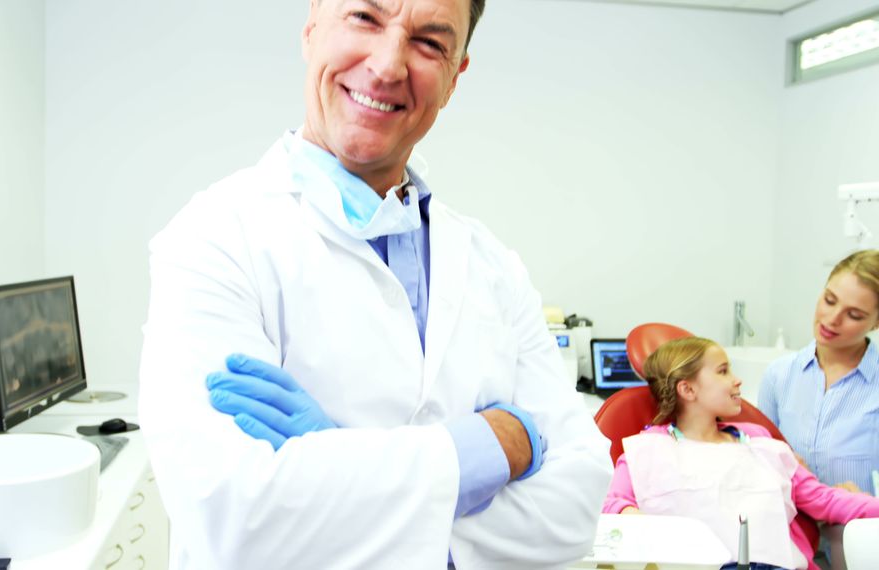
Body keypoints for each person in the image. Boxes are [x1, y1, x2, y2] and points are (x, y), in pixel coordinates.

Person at [138, 0, 613, 568]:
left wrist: (334, 470)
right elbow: (235, 518)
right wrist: (489, 447)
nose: (388, 66)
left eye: (430, 42)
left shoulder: (494, 266)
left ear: (455, 76)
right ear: (313, 24)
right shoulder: (213, 239)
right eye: (364, 17)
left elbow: (579, 501)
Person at [602, 337, 879, 570]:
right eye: (723, 371)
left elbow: (820, 498)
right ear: (688, 390)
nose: (737, 380)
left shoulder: (760, 444)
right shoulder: (646, 450)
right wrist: (646, 526)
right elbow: (612, 505)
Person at [758, 249, 879, 516]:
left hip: (862, 547)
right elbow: (756, 463)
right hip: (794, 546)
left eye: (854, 315)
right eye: (829, 300)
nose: (832, 318)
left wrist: (867, 506)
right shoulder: (780, 375)